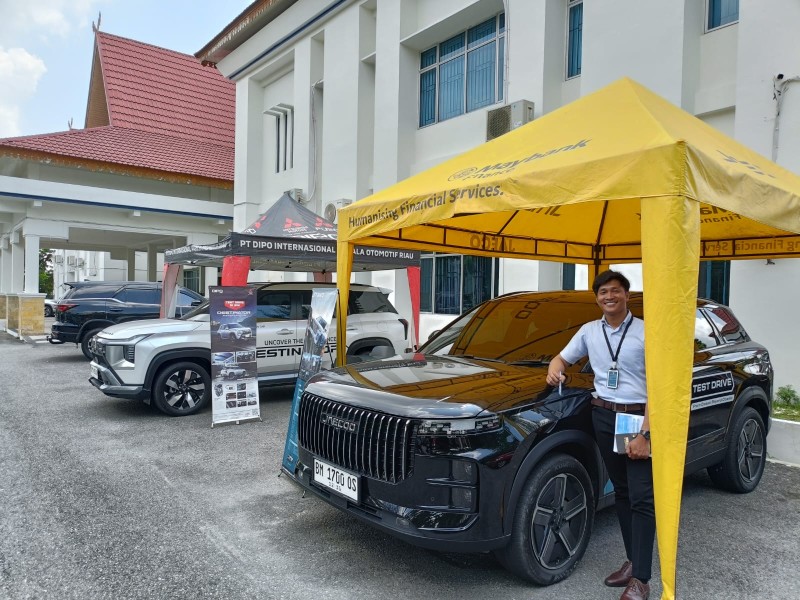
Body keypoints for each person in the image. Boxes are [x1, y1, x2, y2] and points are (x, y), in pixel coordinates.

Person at [546, 270, 653, 600]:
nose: (610, 296)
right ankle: (632, 562)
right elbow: (563, 356)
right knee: (621, 490)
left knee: (640, 497)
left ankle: (642, 579)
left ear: (627, 295)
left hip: (634, 418)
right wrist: (555, 366)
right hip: (605, 416)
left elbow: (659, 387)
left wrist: (646, 434)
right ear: (597, 298)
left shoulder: (645, 332)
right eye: (604, 292)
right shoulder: (590, 331)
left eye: (616, 291)